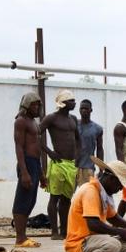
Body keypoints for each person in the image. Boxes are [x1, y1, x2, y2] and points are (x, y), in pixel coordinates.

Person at [40, 89, 80, 240]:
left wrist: (78, 155)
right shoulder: (51, 118)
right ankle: (54, 232)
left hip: (71, 164)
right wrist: (49, 152)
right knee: (54, 198)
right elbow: (36, 134)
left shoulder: (73, 119)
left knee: (66, 199)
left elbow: (78, 139)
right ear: (63, 103)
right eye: (71, 101)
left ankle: (65, 230)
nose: (74, 103)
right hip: (57, 163)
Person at [12, 92, 47, 248]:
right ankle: (20, 238)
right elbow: (19, 147)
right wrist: (24, 172)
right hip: (25, 162)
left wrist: (41, 174)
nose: (37, 107)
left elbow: (37, 149)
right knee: (22, 199)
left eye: (38, 104)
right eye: (34, 104)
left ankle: (24, 236)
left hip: (34, 163)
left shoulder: (33, 122)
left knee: (30, 201)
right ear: (27, 105)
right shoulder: (21, 121)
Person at [75, 100, 104, 187]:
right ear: (79, 110)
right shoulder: (73, 124)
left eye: (86, 108)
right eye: (82, 108)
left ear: (91, 110)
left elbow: (99, 148)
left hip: (87, 168)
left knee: (86, 196)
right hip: (72, 166)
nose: (83, 110)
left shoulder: (97, 128)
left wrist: (101, 168)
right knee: (66, 198)